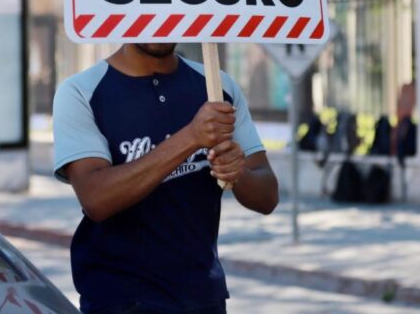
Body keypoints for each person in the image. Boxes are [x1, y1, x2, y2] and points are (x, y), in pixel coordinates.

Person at [53, 43, 279, 314]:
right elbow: (96, 199)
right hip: (121, 300)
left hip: (203, 296)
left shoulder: (217, 88)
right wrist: (191, 138)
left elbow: (267, 197)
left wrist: (237, 170)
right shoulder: (81, 92)